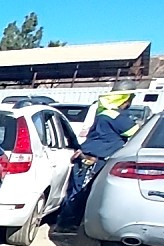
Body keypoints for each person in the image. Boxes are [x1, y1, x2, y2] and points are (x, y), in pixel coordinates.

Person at [52, 90, 140, 235]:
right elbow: (135, 132)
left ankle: (66, 223)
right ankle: (66, 225)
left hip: (87, 155)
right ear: (124, 101)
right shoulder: (117, 117)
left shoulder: (103, 113)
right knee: (82, 193)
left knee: (76, 191)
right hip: (95, 159)